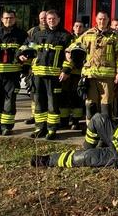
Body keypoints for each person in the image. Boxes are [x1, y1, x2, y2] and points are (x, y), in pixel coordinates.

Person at [23, 10, 73, 140]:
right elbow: (28, 48)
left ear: (59, 19)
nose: (51, 21)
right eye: (49, 19)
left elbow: (70, 57)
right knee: (39, 103)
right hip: (38, 76)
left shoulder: (65, 36)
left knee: (53, 105)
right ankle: (39, 128)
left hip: (54, 77)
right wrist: (22, 55)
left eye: (53, 18)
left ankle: (52, 130)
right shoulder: (38, 35)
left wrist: (66, 71)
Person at [73, 12, 118, 122]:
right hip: (90, 76)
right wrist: (68, 52)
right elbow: (74, 46)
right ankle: (91, 132)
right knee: (90, 104)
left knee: (106, 105)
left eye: (104, 19)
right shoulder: (88, 34)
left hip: (107, 77)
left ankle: (105, 132)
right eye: (100, 19)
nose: (102, 21)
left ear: (108, 20)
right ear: (96, 20)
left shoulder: (115, 36)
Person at [0, 10, 28, 136]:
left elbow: (29, 48)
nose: (9, 20)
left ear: (15, 19)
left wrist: (25, 56)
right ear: (2, 19)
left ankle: (7, 127)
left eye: (11, 18)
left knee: (9, 101)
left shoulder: (22, 34)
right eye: (6, 18)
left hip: (12, 74)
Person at [60, 20, 86, 130]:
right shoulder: (67, 38)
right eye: (76, 26)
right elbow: (65, 54)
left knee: (77, 97)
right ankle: (64, 120)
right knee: (64, 96)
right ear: (73, 27)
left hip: (78, 73)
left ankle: (76, 121)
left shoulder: (86, 39)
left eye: (81, 26)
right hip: (67, 73)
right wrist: (65, 70)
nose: (78, 28)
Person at [23, 11, 48, 125]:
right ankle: (34, 115)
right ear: (39, 19)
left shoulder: (54, 31)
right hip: (34, 67)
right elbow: (26, 47)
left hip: (48, 68)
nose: (44, 20)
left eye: (45, 18)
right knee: (34, 94)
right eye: (42, 18)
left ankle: (46, 116)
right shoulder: (33, 31)